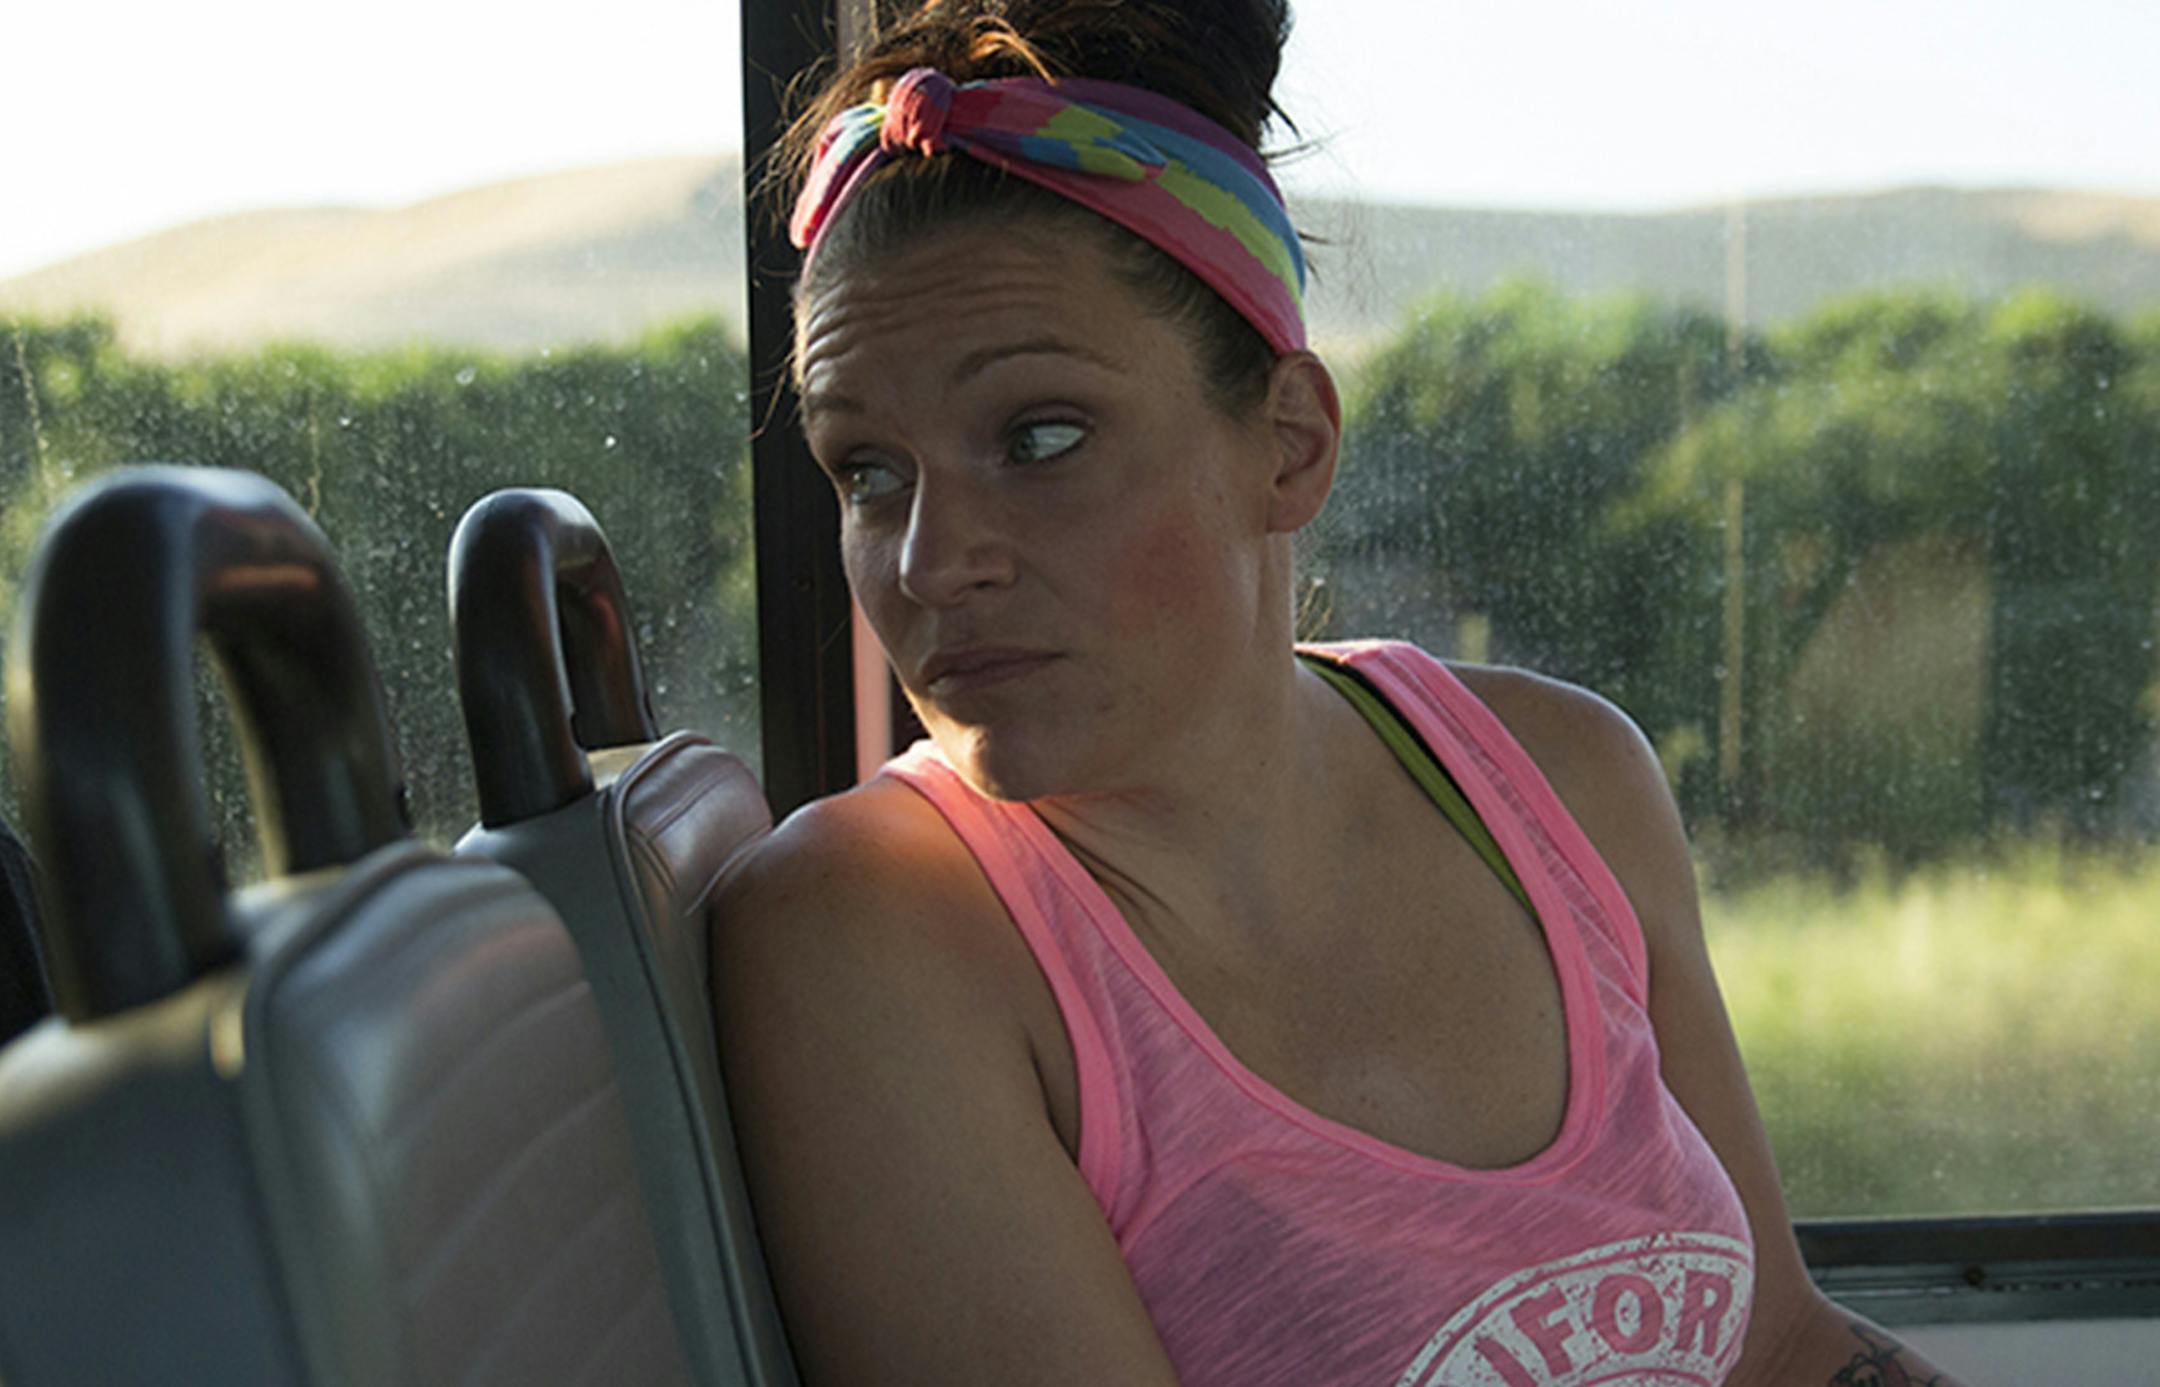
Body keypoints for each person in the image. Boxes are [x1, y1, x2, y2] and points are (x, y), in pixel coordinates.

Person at [711, 3, 1968, 1383]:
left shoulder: (1556, 777)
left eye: (1040, 437)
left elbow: (1783, 1349)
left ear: (1290, 447)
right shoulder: (875, 934)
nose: (932, 561)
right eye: (867, 472)